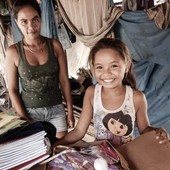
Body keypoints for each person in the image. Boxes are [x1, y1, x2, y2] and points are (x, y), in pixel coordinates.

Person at [54, 38, 169, 147]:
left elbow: (145, 130)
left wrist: (156, 131)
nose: (107, 73)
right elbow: (79, 131)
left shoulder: (136, 97)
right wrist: (57, 145)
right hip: (101, 156)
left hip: (127, 156)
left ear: (127, 66)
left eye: (114, 66)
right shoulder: (92, 93)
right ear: (93, 69)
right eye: (100, 67)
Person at [5, 0, 74, 138]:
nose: (31, 26)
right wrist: (23, 117)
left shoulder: (54, 45)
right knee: (39, 154)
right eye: (24, 21)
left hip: (57, 109)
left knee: (60, 151)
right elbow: (12, 89)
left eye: (35, 19)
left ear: (40, 18)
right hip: (30, 112)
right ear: (17, 22)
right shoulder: (13, 52)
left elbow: (64, 81)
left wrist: (70, 111)